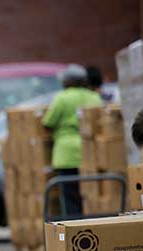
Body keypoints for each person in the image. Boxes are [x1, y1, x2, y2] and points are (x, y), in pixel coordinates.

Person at [41, 64, 102, 216]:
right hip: (90, 152)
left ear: (67, 81)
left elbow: (47, 122)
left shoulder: (61, 98)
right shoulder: (94, 97)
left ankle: (74, 228)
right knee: (89, 195)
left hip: (66, 153)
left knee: (69, 197)